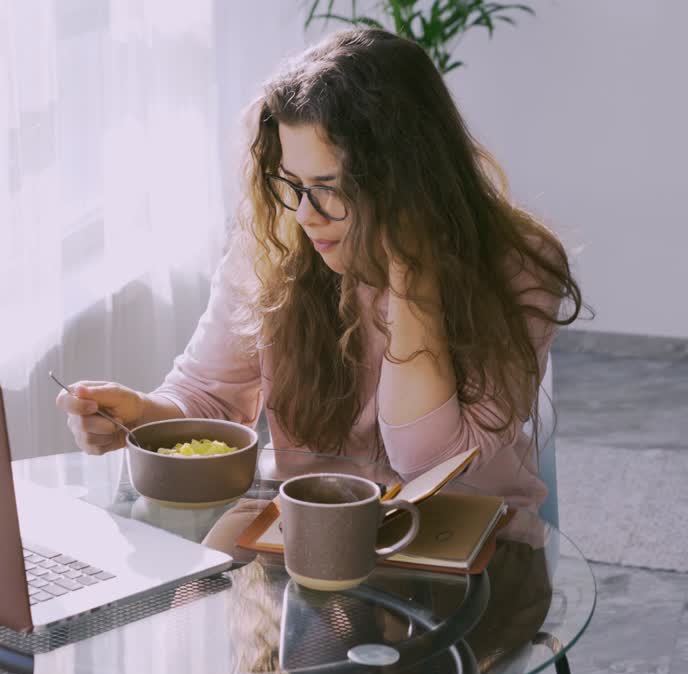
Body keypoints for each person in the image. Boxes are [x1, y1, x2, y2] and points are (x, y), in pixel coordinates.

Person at [55, 27, 583, 512]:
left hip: (474, 549)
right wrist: (138, 414)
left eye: (328, 188)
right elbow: (208, 398)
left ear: (405, 182)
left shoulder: (520, 265)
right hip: (319, 541)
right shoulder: (274, 245)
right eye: (293, 184)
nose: (304, 215)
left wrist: (409, 268)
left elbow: (429, 467)